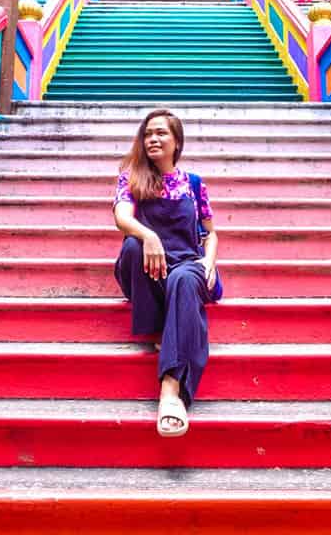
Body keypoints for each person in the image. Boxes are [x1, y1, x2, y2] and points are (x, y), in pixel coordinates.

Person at [113, 109, 219, 438]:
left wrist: (209, 262)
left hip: (186, 262)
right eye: (148, 134)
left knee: (184, 279)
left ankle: (171, 392)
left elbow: (210, 233)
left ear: (176, 142)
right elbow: (121, 217)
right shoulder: (131, 177)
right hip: (148, 268)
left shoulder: (194, 184)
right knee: (132, 246)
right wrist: (150, 236)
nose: (153, 139)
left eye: (161, 133)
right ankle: (158, 326)